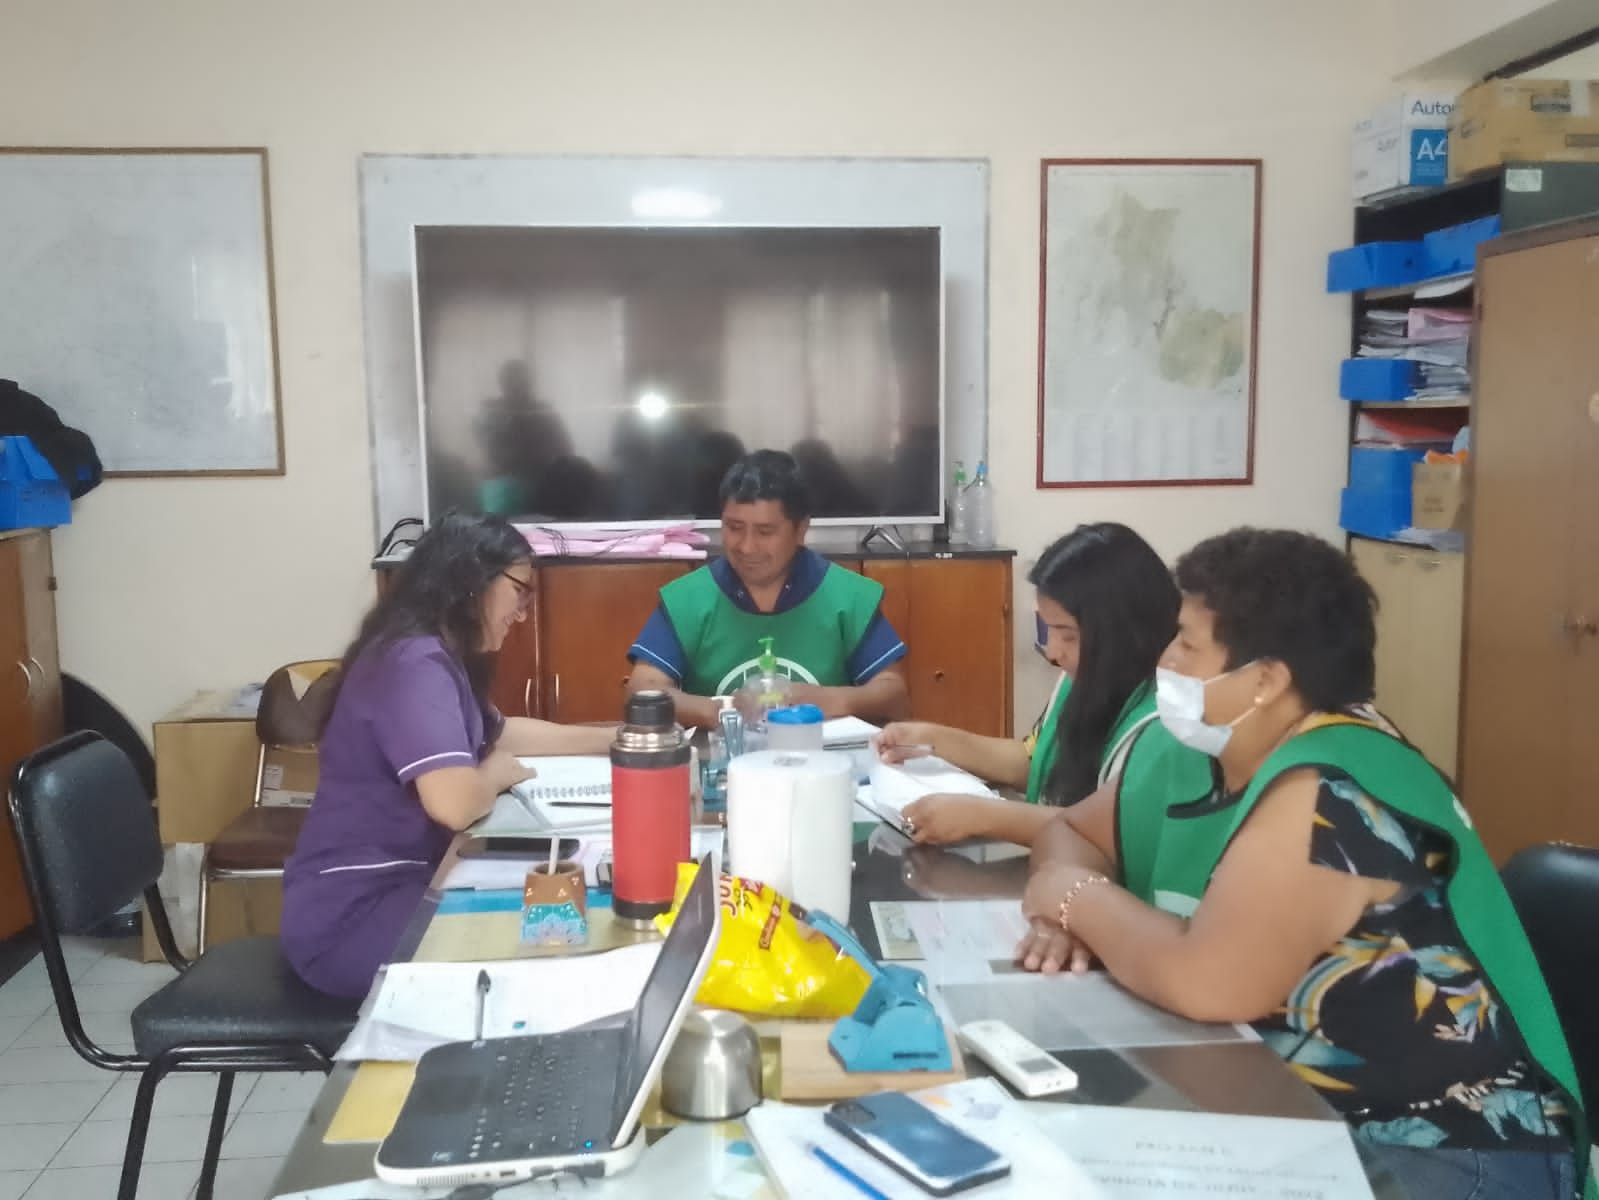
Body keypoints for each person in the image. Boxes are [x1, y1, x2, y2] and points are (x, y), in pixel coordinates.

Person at [1015, 528, 1588, 1198]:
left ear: (1264, 680)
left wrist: (1072, 898)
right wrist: (1060, 916)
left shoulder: (1332, 787)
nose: (1163, 659)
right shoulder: (1204, 752)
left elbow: (1207, 982)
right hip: (1298, 1109)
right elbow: (1071, 830)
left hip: (1445, 1147)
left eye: (1187, 645)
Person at [280, 513, 614, 999]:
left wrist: (616, 739)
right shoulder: (413, 663)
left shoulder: (435, 655)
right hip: (353, 915)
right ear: (473, 580)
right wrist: (492, 774)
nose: (522, 613)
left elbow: (504, 732)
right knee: (548, 943)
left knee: (552, 923)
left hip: (403, 886)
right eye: (520, 591)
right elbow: (455, 803)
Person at [877, 523, 1208, 848]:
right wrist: (931, 739)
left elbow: (1113, 832)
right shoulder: (1082, 678)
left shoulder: (1164, 721)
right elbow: (1034, 763)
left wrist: (985, 816)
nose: (1052, 651)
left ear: (1121, 631)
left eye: (1068, 635)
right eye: (1048, 629)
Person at [626, 449, 909, 728]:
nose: (747, 547)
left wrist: (829, 700)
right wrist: (719, 711)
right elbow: (642, 690)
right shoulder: (687, 599)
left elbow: (893, 694)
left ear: (801, 530)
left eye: (765, 532)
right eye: (734, 527)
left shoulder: (849, 596)